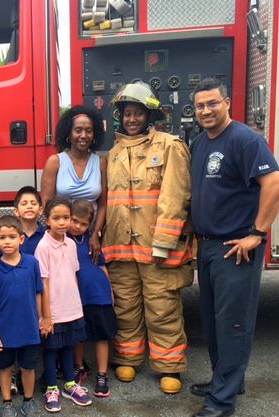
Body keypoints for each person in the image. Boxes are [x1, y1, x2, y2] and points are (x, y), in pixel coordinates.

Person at [189, 78, 279, 417]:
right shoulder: (200, 143)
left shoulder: (245, 140)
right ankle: (226, 381)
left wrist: (257, 234)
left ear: (227, 102)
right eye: (200, 106)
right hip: (209, 245)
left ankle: (223, 399)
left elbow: (275, 183)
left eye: (212, 103)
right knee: (214, 320)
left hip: (236, 248)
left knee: (232, 322)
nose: (206, 111)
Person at [101, 82, 194, 394]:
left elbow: (176, 196)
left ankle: (169, 366)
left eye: (137, 113)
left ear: (149, 114)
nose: (131, 119)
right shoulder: (113, 154)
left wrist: (164, 242)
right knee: (125, 307)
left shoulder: (170, 145)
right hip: (120, 248)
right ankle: (128, 357)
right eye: (127, 113)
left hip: (157, 247)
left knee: (163, 307)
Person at [35, 197, 92, 412]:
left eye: (66, 218)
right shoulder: (43, 247)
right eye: (56, 218)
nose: (62, 222)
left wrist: (77, 304)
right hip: (54, 310)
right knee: (51, 350)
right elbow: (44, 282)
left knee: (68, 345)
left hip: (71, 307)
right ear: (47, 220)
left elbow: (74, 274)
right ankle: (51, 387)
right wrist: (46, 316)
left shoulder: (70, 243)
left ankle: (70, 384)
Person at [0, 215, 44, 417]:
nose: (7, 241)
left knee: (29, 366)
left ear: (21, 239)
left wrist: (41, 319)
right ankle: (7, 403)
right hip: (4, 329)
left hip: (29, 327)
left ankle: (28, 401)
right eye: (2, 237)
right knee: (5, 367)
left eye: (12, 237)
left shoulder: (31, 263)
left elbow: (39, 292)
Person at [41, 105, 107, 259]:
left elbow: (103, 204)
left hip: (89, 235)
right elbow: (46, 202)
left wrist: (96, 235)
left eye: (88, 130)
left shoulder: (100, 163)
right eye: (78, 130)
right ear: (69, 134)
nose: (83, 135)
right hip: (61, 233)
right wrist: (59, 230)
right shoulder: (55, 162)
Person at [68, 200, 117, 398]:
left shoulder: (92, 240)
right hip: (76, 297)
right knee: (79, 335)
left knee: (101, 336)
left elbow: (103, 266)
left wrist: (110, 291)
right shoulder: (62, 239)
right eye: (74, 220)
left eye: (83, 224)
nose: (77, 226)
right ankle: (79, 367)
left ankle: (102, 374)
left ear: (90, 225)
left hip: (98, 294)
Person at [14, 186, 46, 256]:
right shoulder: (12, 235)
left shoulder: (47, 234)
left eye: (33, 203)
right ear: (16, 211)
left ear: (40, 210)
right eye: (24, 204)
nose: (29, 206)